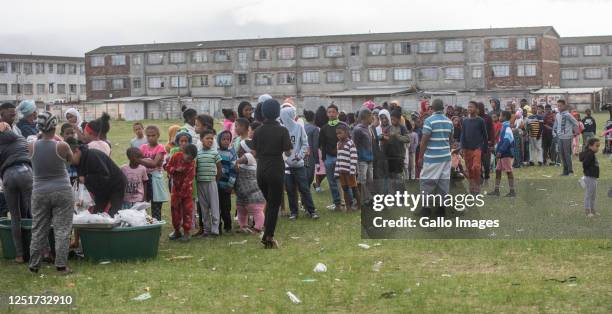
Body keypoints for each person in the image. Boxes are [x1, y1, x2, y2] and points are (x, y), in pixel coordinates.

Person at [27, 112, 74, 274]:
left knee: (38, 228)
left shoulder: (31, 145)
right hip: (62, 189)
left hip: (39, 191)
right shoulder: (61, 145)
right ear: (55, 127)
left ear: (39, 127)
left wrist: (40, 134)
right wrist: (59, 138)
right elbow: (70, 160)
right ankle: (61, 265)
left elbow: (37, 140)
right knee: (62, 229)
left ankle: (34, 265)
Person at [252, 99, 292, 248]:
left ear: (263, 112)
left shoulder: (257, 131)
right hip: (275, 168)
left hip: (260, 170)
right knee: (274, 204)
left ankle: (265, 230)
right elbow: (287, 151)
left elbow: (254, 152)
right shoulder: (282, 130)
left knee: (269, 201)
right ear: (278, 113)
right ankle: (268, 237)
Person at [67, 137, 127, 217]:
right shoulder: (78, 162)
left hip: (116, 184)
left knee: (114, 212)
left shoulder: (92, 156)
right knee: (97, 213)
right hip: (100, 189)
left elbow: (104, 176)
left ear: (77, 151)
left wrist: (86, 179)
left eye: (70, 159)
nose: (70, 162)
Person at [0, 121, 32, 263]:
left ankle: (19, 255)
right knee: (35, 214)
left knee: (15, 217)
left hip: (8, 175)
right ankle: (42, 252)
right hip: (25, 172)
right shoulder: (20, 138)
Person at [280, 106, 318, 220]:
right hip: (286, 165)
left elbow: (305, 144)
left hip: (299, 164)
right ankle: (294, 212)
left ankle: (311, 211)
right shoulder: (281, 129)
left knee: (304, 188)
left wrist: (299, 156)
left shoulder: (299, 127)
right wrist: (285, 159)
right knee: (290, 190)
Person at [418, 99, 453, 217]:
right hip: (446, 157)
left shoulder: (429, 121)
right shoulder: (449, 121)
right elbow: (451, 140)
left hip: (432, 157)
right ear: (442, 108)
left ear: (432, 108)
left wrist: (420, 157)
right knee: (443, 183)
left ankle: (426, 209)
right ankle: (441, 209)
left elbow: (424, 141)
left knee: (426, 183)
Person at [165, 144, 198, 241]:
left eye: (191, 159)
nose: (189, 161)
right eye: (188, 158)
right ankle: (177, 231)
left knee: (187, 211)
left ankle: (187, 233)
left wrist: (182, 194)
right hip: (175, 189)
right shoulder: (176, 156)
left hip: (186, 192)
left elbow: (189, 180)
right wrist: (175, 170)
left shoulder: (192, 164)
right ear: (183, 153)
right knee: (175, 210)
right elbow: (167, 167)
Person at [234, 139, 265, 233]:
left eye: (240, 148)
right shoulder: (245, 162)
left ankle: (258, 227)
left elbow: (241, 160)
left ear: (245, 149)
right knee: (241, 210)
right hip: (242, 193)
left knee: (256, 210)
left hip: (253, 193)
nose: (238, 149)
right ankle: (243, 226)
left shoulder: (249, 156)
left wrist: (235, 162)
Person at [138, 125, 168, 220]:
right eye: (148, 135)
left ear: (158, 135)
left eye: (153, 135)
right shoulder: (143, 147)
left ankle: (156, 228)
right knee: (143, 204)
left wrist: (140, 160)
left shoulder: (160, 148)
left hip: (155, 179)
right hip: (144, 178)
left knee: (156, 205)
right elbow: (151, 162)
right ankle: (145, 225)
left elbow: (154, 164)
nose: (150, 138)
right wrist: (148, 161)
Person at [196, 129, 222, 237]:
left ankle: (215, 229)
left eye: (212, 138)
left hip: (212, 182)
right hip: (200, 183)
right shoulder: (198, 154)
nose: (210, 140)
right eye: (207, 138)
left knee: (214, 206)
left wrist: (216, 180)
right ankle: (207, 230)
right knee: (204, 207)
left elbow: (219, 168)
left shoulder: (215, 153)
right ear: (201, 139)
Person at [319, 104, 343, 210]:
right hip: (328, 158)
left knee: (342, 180)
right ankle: (336, 203)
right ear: (327, 114)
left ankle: (346, 201)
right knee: (332, 181)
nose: (331, 114)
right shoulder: (324, 128)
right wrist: (324, 158)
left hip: (341, 157)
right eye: (329, 112)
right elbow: (321, 144)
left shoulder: (343, 126)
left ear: (337, 113)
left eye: (333, 112)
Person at [460, 101, 487, 194]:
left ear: (476, 109)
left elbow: (485, 136)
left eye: (471, 107)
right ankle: (472, 188)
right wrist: (462, 147)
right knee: (469, 169)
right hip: (467, 148)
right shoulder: (465, 121)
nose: (469, 109)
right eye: (468, 107)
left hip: (477, 148)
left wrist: (485, 148)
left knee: (476, 167)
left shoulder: (480, 121)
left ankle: (477, 185)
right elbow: (462, 135)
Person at [489, 111, 516, 197]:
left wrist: (500, 151)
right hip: (502, 154)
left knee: (508, 171)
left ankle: (512, 191)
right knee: (497, 170)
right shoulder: (504, 126)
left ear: (504, 117)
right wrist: (497, 149)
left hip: (506, 154)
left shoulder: (507, 127)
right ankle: (496, 190)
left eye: (500, 115)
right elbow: (502, 141)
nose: (499, 117)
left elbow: (507, 141)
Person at [382, 109, 410, 191]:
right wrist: (384, 137)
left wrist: (397, 136)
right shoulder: (388, 128)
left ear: (398, 119)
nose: (392, 120)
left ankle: (402, 193)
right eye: (391, 119)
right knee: (391, 176)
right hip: (389, 155)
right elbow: (384, 136)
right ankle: (393, 193)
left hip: (399, 155)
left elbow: (407, 139)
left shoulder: (402, 128)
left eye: (394, 119)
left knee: (398, 176)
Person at [335, 122, 360, 211]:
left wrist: (352, 170)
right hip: (342, 171)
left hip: (350, 171)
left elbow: (354, 157)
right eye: (337, 133)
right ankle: (348, 207)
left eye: (340, 133)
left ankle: (359, 205)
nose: (338, 135)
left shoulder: (350, 143)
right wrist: (336, 171)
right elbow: (338, 158)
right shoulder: (338, 144)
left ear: (346, 132)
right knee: (345, 188)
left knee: (354, 188)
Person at [352, 108, 374, 207]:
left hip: (369, 158)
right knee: (362, 179)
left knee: (370, 180)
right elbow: (354, 145)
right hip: (361, 159)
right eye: (371, 116)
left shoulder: (369, 128)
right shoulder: (358, 129)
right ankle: (362, 199)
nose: (373, 118)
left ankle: (369, 198)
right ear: (366, 117)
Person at [216, 130, 237, 233]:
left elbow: (234, 170)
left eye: (228, 139)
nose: (225, 141)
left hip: (226, 186)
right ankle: (217, 226)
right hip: (215, 185)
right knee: (216, 207)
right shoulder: (215, 151)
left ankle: (228, 226)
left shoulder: (231, 153)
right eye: (223, 139)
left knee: (226, 207)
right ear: (219, 139)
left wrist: (230, 184)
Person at [553, 99, 578, 176]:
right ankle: (565, 171)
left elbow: (575, 123)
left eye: (560, 106)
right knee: (562, 154)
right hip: (559, 137)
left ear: (564, 106)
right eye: (558, 106)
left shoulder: (568, 115)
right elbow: (556, 125)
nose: (559, 107)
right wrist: (555, 132)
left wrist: (575, 132)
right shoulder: (557, 115)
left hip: (567, 137)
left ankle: (570, 171)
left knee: (567, 154)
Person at [579, 138, 600, 217]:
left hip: (593, 177)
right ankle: (587, 211)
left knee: (593, 195)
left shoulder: (591, 153)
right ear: (591, 146)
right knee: (589, 194)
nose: (598, 148)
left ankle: (593, 210)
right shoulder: (590, 154)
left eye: (599, 146)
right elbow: (585, 163)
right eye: (597, 146)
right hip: (590, 177)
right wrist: (588, 172)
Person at [303, 110, 319, 189]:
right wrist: (317, 161)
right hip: (310, 156)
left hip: (302, 155)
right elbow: (315, 146)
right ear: (314, 118)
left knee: (304, 176)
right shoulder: (315, 129)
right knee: (309, 177)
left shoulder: (302, 127)